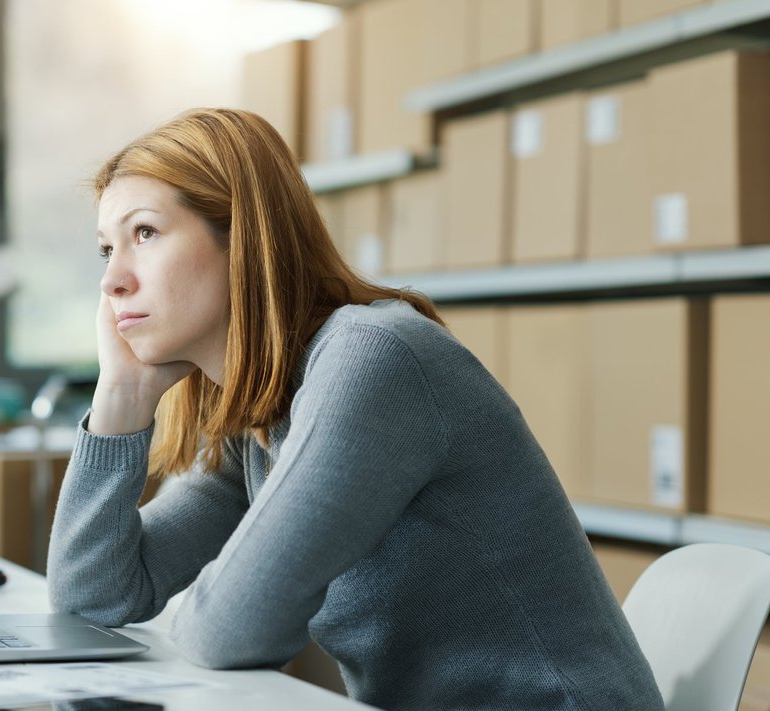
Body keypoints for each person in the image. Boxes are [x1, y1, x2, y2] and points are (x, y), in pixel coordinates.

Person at [46, 108, 664, 711]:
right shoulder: (263, 411)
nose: (113, 281)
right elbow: (93, 597)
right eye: (107, 249)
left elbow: (228, 630)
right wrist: (120, 399)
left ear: (244, 239)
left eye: (145, 233)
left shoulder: (372, 359)